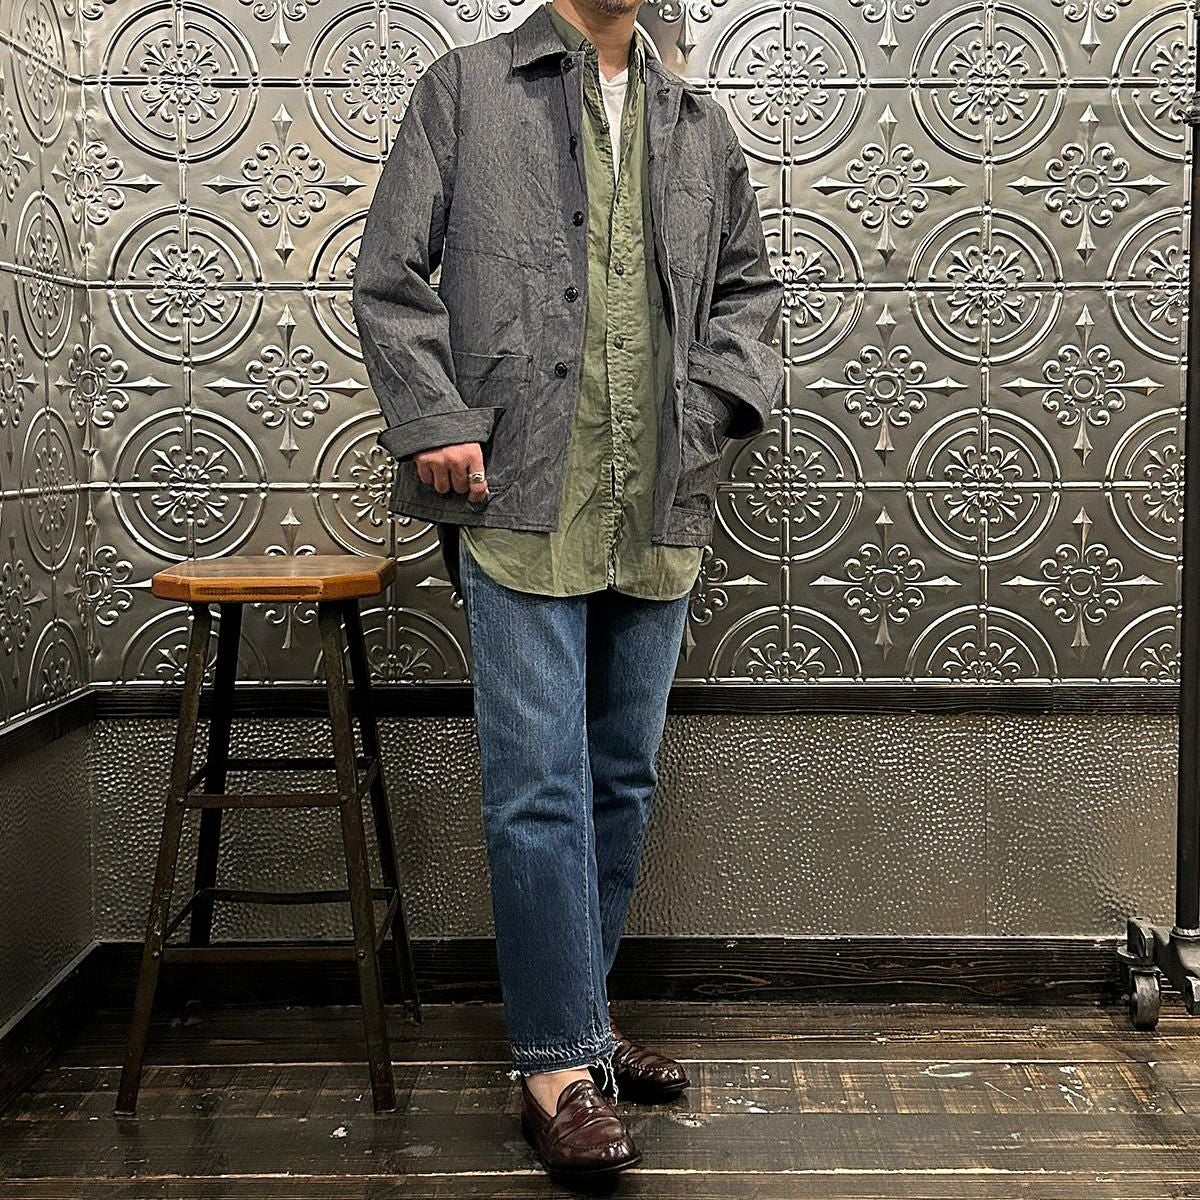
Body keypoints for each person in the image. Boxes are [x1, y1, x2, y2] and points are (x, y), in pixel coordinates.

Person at [352, 0, 784, 1182]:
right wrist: (436, 418)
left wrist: (710, 413)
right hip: (519, 494)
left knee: (619, 778)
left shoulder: (697, 121)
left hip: (658, 498)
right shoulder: (464, 89)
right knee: (538, 786)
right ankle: (554, 1071)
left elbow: (748, 293)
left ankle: (579, 1030)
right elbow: (389, 276)